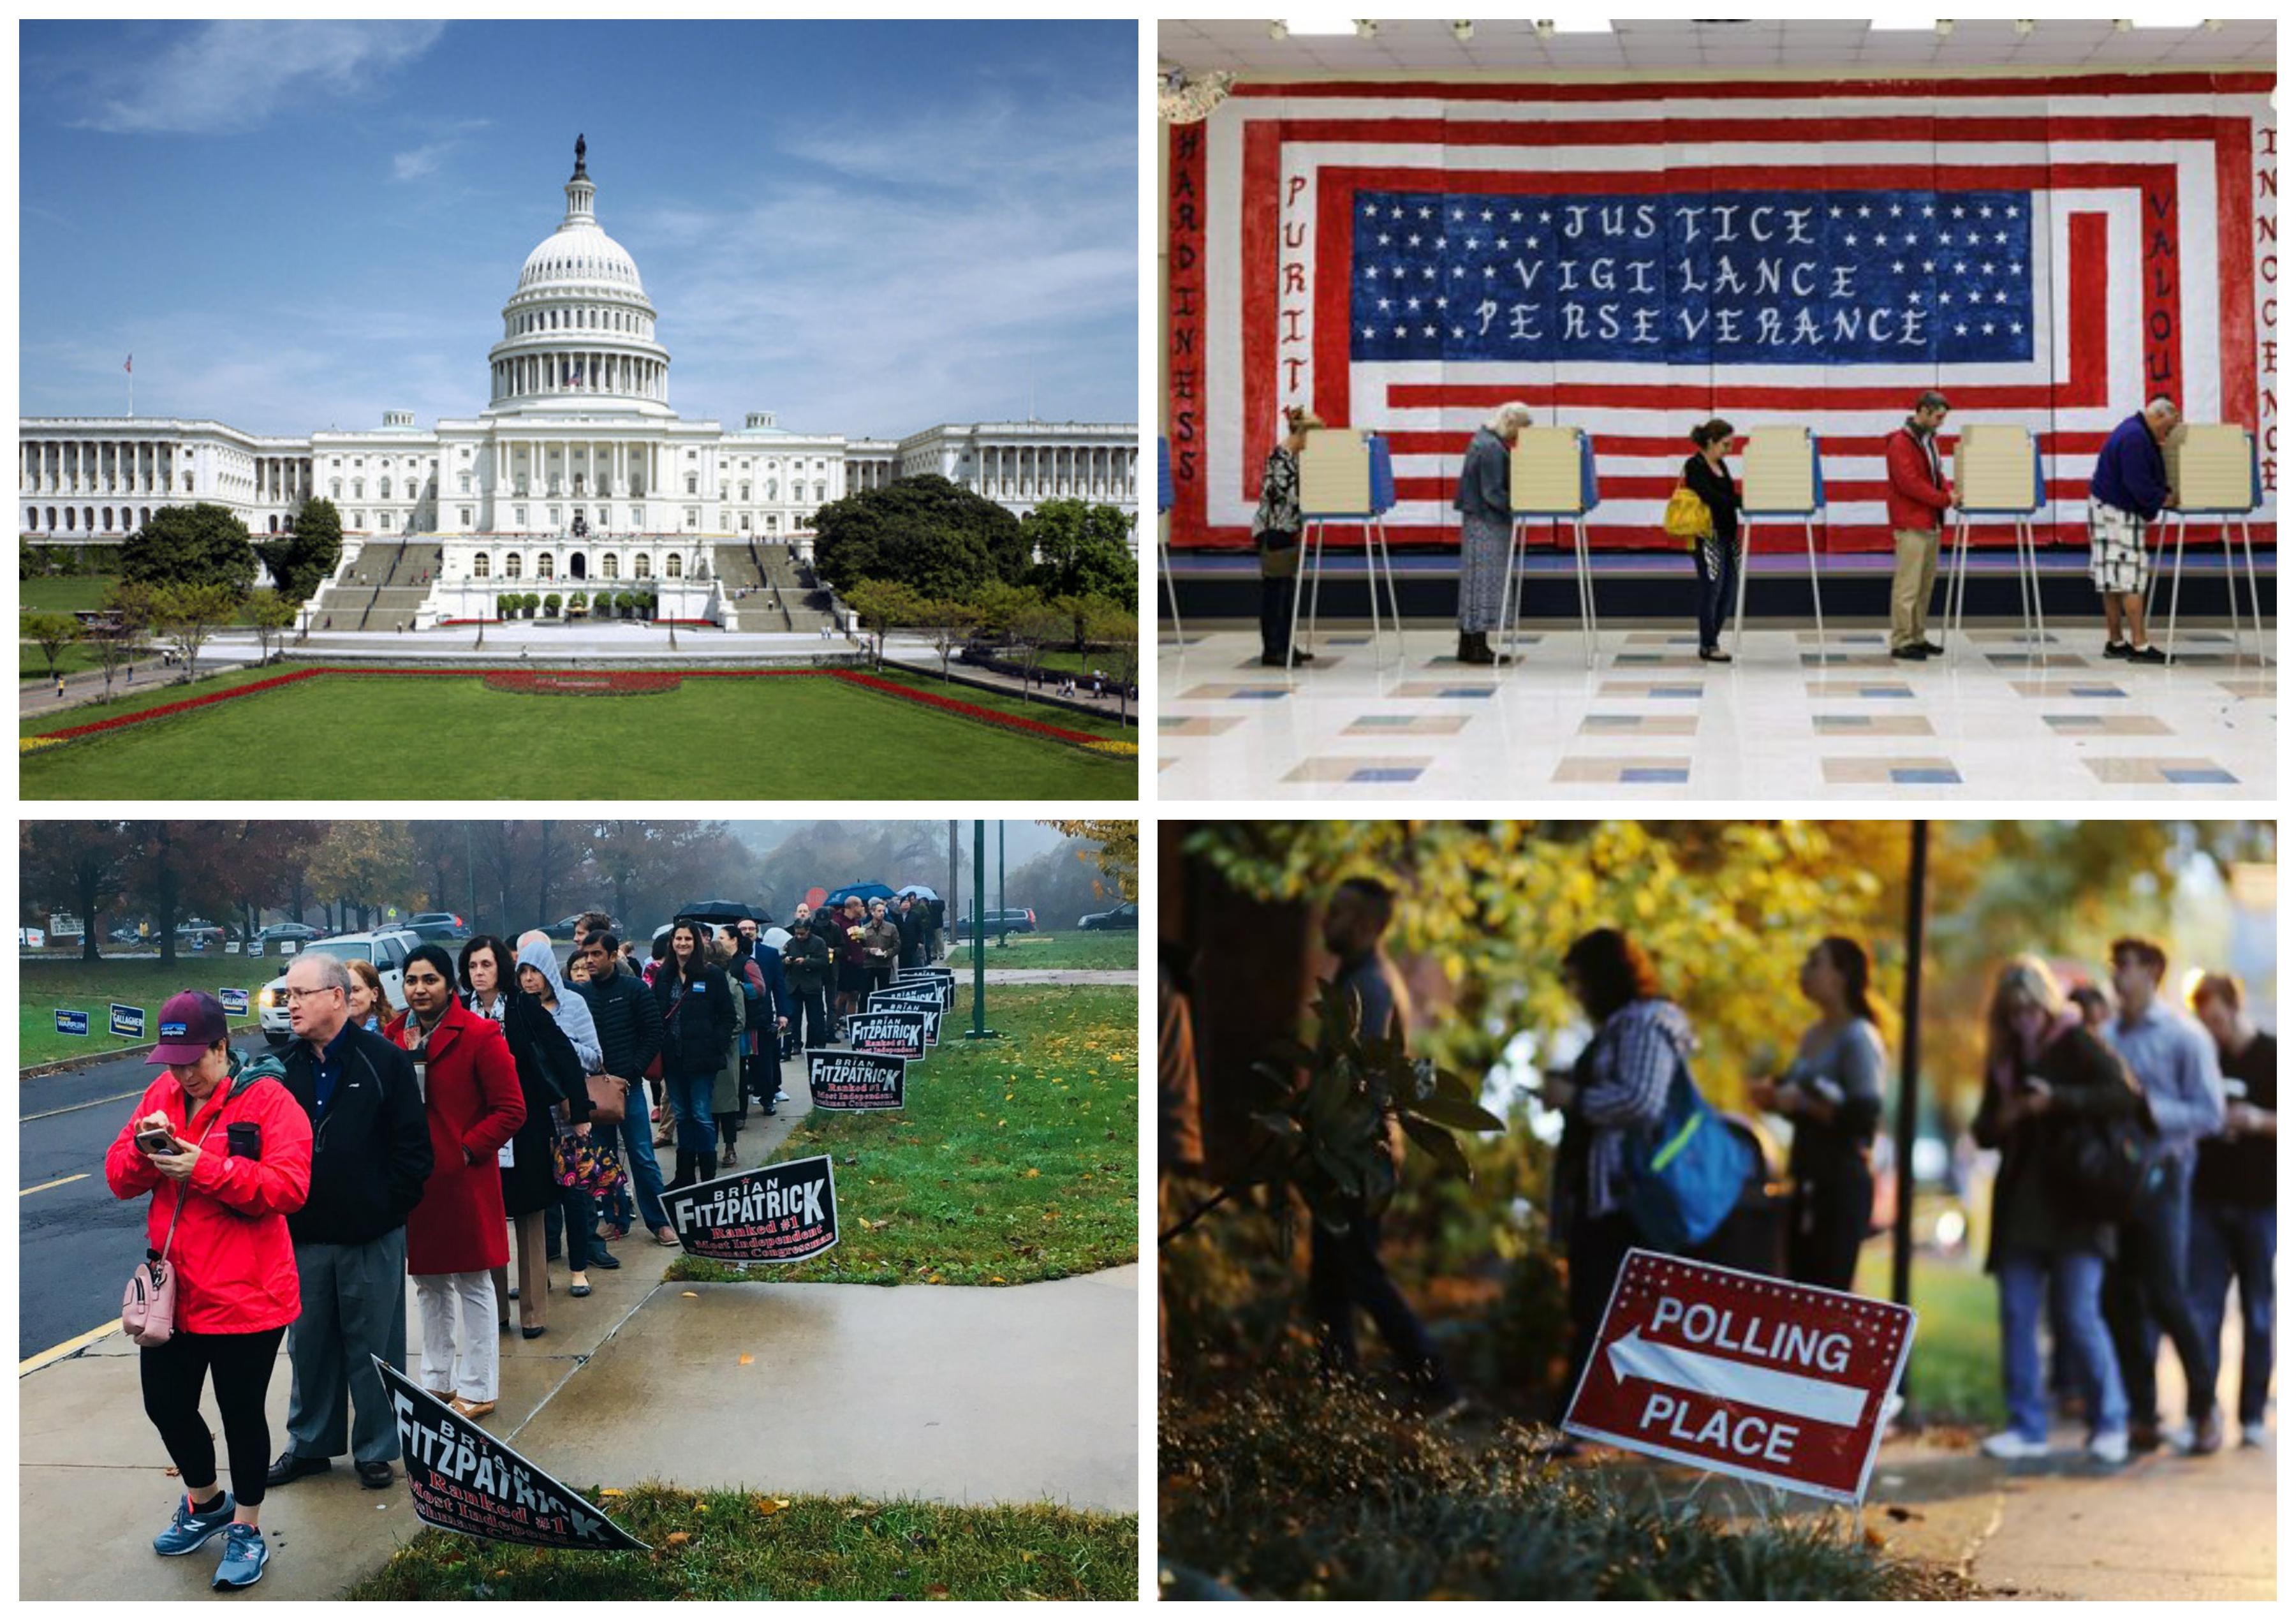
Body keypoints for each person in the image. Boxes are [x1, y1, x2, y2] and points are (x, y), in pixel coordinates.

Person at [105, 992, 313, 1590]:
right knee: (164, 1403)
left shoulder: (268, 1098)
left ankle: (246, 1526)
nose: (183, 1073)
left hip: (249, 1291)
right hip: (177, 1291)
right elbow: (118, 1177)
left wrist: (206, 1168)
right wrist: (150, 1151)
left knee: (241, 1411)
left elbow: (290, 1188)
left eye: (194, 1059)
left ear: (223, 1046)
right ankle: (206, 1500)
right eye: (172, 1061)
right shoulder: (162, 1097)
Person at [269, 954, 431, 1496]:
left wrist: (386, 1210)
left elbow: (414, 1151)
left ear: (336, 997)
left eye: (300, 993)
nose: (289, 1003)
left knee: (374, 1345)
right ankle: (311, 1444)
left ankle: (376, 1448)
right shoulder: (281, 1067)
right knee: (308, 1345)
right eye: (285, 994)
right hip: (304, 1236)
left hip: (371, 1235)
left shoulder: (384, 1062)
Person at [1971, 956, 2145, 1463]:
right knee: (2017, 1311)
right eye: (2012, 1012)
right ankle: (2026, 1425)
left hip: (2078, 1200)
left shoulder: (2076, 1040)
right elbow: (1983, 1128)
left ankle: (2109, 1419)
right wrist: (2007, 1115)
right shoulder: (2004, 1058)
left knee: (2077, 1314)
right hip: (2022, 1203)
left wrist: (2057, 1099)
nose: (2022, 1019)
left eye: (2030, 1008)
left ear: (2047, 1004)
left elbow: (2124, 1094)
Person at [1304, 877, 1458, 1407]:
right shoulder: (1361, 975)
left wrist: (1329, 1139)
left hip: (1358, 1152)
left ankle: (1437, 1386)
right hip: (1351, 1151)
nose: (1328, 919)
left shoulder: (1368, 984)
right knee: (1332, 1278)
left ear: (1369, 924)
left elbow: (1361, 1078)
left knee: (1358, 1272)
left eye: (1340, 912)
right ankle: (1337, 1394)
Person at [1548, 928, 1700, 1417]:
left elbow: (1641, 1099)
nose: (1577, 993)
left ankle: (1587, 1422)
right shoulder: (1621, 1024)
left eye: (1579, 981)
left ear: (1602, 976)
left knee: (1603, 1307)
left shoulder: (1644, 1023)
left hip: (1626, 1193)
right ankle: (1597, 1421)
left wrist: (1574, 1097)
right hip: (1605, 1189)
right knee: (1598, 1306)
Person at [387, 944, 524, 1421]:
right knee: (428, 1282)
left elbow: (511, 1109)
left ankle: (480, 1385)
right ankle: (437, 1379)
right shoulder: (392, 1037)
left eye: (429, 980)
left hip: (463, 1180)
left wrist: (466, 1149)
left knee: (472, 1281)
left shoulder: (481, 1035)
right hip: (415, 1182)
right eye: (411, 980)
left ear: (449, 984)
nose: (419, 989)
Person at [2100, 935, 2225, 1454]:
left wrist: (2155, 1109)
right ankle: (2143, 1414)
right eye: (2115, 965)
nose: (2117, 975)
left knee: (2167, 1293)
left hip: (2165, 1177)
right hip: (2113, 1182)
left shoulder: (2184, 1036)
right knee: (2119, 1299)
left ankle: (2204, 1407)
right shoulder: (2105, 1035)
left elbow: (2212, 1113)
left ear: (2153, 971)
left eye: (2127, 965)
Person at [1749, 937, 1887, 1291]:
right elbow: (1796, 1099)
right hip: (1805, 1175)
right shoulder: (1812, 1035)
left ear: (1842, 975)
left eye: (1815, 963)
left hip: (1840, 1185)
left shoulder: (1859, 1037)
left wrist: (1803, 1103)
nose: (1804, 972)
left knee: (1828, 1294)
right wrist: (1774, 1097)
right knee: (1795, 1287)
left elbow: (1864, 1117)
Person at [2186, 972, 2276, 1448]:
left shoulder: (2275, 1053)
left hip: (2262, 1202)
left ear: (2234, 1008)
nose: (2213, 1030)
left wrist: (2258, 1120)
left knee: (2259, 1310)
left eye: (2218, 1019)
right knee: (2202, 1309)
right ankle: (2202, 1411)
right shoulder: (2205, 1056)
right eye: (2205, 1022)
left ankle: (2253, 1414)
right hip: (2206, 1199)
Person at [475, 934, 572, 1338]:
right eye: (472, 967)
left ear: (501, 967)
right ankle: (495, 1310)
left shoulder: (523, 1007)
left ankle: (533, 1312)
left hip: (526, 1123)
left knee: (531, 1215)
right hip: (480, 1129)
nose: (479, 974)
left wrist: (577, 1109)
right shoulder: (461, 1012)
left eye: (486, 965)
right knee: (490, 1217)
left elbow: (561, 1053)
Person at [517, 933, 622, 1295]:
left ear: (548, 972)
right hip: (532, 1116)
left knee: (575, 1196)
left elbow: (595, 1057)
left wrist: (557, 1041)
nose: (529, 979)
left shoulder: (573, 1005)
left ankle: (579, 1269)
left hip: (568, 1114)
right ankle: (538, 1271)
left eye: (535, 971)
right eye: (523, 972)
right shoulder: (516, 1009)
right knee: (536, 1197)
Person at [573, 930, 675, 1247]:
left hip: (628, 1087)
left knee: (642, 1154)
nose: (589, 960)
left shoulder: (633, 990)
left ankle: (659, 1222)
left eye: (596, 954)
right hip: (593, 1090)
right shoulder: (581, 996)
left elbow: (653, 1032)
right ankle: (615, 1218)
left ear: (613, 955)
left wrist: (632, 1073)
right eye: (586, 954)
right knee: (602, 1157)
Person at [2087, 396, 2180, 663]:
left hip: (2106, 508)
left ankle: (2116, 642)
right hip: (2118, 513)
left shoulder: (2133, 430)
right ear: (2160, 416)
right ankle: (2140, 645)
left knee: (2112, 579)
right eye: (2170, 427)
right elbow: (2138, 484)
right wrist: (2163, 499)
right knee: (2131, 578)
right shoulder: (2137, 438)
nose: (2169, 434)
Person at [652, 920, 735, 1189]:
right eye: (679, 939)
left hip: (702, 1059)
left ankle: (708, 1179)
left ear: (696, 943)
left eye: (688, 939)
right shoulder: (663, 976)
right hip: (673, 1059)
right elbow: (655, 1014)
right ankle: (684, 1175)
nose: (683, 944)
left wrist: (716, 1045)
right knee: (682, 1115)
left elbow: (727, 1016)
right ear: (672, 942)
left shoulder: (712, 975)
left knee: (701, 1115)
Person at [1453, 401, 1531, 667]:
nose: (1519, 438)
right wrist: (1519, 505)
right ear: (1510, 424)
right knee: (1485, 585)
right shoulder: (1491, 448)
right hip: (1487, 522)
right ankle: (1478, 648)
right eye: (1520, 430)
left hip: (1478, 520)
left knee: (1474, 584)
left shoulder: (1485, 441)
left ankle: (1468, 644)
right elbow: (1492, 493)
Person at [1883, 390, 1954, 661]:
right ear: (1923, 411)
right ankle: (1901, 640)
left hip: (1930, 521)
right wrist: (1944, 499)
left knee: (1924, 585)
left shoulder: (1928, 441)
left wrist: (1947, 493)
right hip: (1912, 523)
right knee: (1908, 586)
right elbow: (1909, 484)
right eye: (1937, 417)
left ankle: (1918, 636)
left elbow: (1937, 474)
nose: (1940, 423)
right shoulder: (1901, 443)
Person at [1249, 404, 1319, 667]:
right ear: (1303, 435)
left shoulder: (1289, 457)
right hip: (1274, 531)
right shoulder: (1281, 457)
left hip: (1285, 530)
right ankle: (1273, 649)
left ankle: (1285, 644)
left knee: (1286, 592)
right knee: (1276, 592)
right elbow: (1284, 498)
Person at [1680, 419, 1742, 663]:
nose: (1730, 450)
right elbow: (1710, 497)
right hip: (1708, 536)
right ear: (1710, 442)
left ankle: (1710, 640)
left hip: (1728, 534)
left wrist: (1741, 499)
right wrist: (1738, 501)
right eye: (1726, 445)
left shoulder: (1722, 465)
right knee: (1712, 590)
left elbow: (1727, 495)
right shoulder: (1694, 465)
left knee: (1729, 591)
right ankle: (1708, 644)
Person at [783, 914, 834, 1049]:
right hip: (794, 985)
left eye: (802, 934)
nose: (799, 936)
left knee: (815, 1017)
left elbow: (824, 962)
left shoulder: (819, 942)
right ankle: (794, 1043)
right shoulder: (790, 943)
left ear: (809, 930)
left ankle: (815, 1043)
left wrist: (807, 962)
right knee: (793, 1017)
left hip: (812, 984)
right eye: (797, 933)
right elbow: (782, 964)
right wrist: (786, 962)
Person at [832, 896, 873, 1019]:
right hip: (845, 964)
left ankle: (851, 1022)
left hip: (858, 962)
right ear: (854, 907)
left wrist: (862, 938)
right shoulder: (838, 922)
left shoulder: (856, 921)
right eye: (861, 905)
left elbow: (860, 942)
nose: (863, 908)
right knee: (843, 995)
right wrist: (847, 955)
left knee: (855, 994)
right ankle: (833, 1022)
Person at [863, 899, 902, 994]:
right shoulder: (864, 929)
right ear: (872, 912)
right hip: (869, 964)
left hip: (884, 964)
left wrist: (888, 953)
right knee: (866, 992)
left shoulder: (891, 927)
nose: (882, 913)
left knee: (884, 991)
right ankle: (865, 1009)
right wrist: (869, 950)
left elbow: (897, 945)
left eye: (883, 911)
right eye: (879, 911)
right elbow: (859, 948)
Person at [344, 957, 388, 1032]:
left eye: (356, 990)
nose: (350, 997)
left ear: (374, 994)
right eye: (345, 991)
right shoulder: (330, 1034)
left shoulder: (393, 1032)